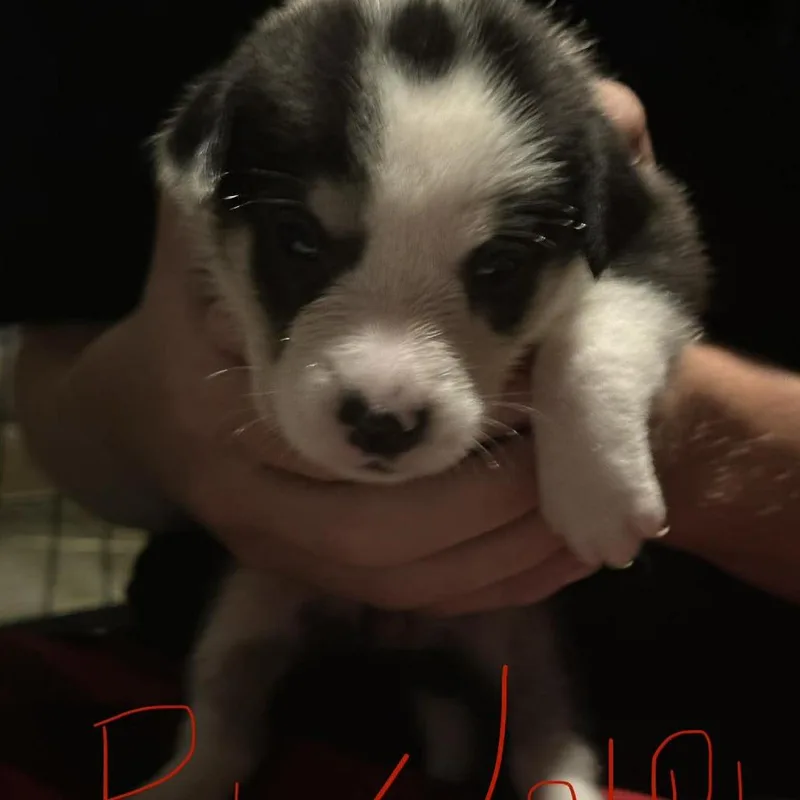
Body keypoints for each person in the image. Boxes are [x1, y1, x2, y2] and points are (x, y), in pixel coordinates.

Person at [3, 0, 800, 797]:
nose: (384, 395)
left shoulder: (587, 161)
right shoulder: (207, 76)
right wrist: (147, 415)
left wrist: (658, 430)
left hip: (703, 717)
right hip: (202, 648)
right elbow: (56, 376)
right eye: (301, 243)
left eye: (495, 268)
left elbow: (642, 267)